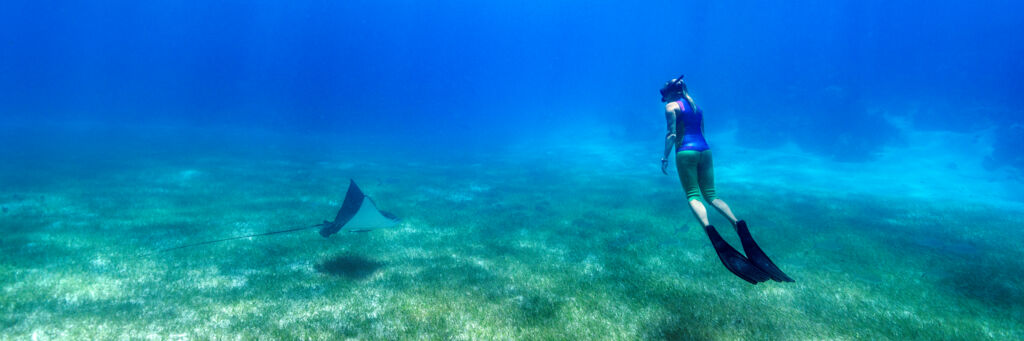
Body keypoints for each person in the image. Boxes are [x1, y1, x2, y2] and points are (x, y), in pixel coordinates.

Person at [659, 75, 793, 284]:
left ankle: (711, 232)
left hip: (685, 152)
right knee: (712, 195)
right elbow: (702, 132)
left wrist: (665, 157)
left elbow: (672, 135)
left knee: (693, 195)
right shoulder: (696, 107)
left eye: (664, 93)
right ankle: (737, 224)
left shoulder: (671, 108)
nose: (663, 97)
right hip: (705, 151)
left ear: (670, 92)